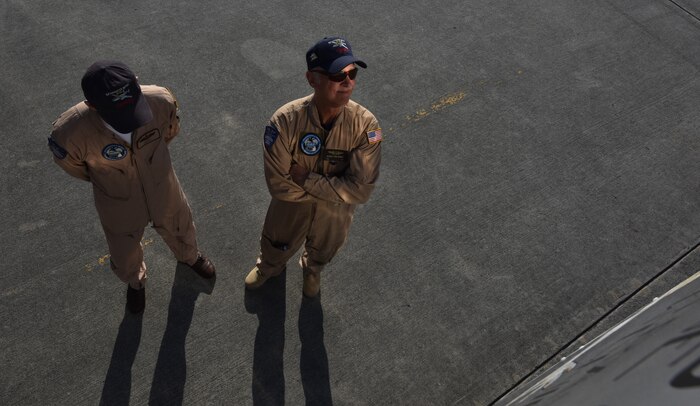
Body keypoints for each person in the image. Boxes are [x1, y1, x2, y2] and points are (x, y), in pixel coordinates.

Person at [48, 61, 216, 314]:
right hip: (116, 197)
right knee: (123, 247)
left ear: (137, 83)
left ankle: (189, 256)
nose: (129, 120)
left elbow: (170, 131)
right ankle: (135, 282)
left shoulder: (161, 101)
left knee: (179, 222)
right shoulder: (69, 133)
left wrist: (149, 167)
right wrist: (109, 179)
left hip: (162, 183)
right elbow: (75, 167)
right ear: (92, 105)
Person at [245, 36, 383, 298]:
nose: (347, 82)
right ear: (312, 79)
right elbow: (280, 186)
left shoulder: (367, 126)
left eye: (352, 73)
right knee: (277, 242)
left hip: (333, 213)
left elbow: (362, 191)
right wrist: (337, 189)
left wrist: (306, 178)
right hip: (297, 206)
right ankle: (269, 268)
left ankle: (313, 270)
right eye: (336, 74)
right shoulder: (284, 122)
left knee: (326, 246)